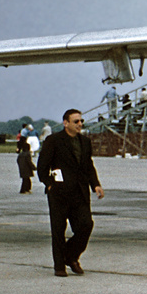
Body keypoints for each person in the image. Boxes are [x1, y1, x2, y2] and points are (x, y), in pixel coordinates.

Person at [37, 108, 103, 277]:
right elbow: (42, 166)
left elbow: (88, 165)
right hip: (59, 193)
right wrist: (49, 184)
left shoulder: (85, 142)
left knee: (86, 225)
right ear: (66, 123)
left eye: (81, 121)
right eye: (76, 122)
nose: (80, 124)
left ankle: (71, 256)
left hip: (80, 193)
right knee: (58, 230)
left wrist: (95, 184)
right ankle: (60, 266)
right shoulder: (54, 140)